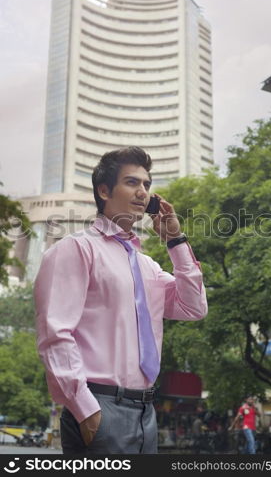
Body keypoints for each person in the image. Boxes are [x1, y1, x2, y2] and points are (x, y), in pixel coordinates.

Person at [34, 146, 208, 454]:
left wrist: (176, 241)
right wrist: (86, 409)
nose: (142, 192)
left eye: (146, 185)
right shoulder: (76, 250)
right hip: (98, 405)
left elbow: (193, 307)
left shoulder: (147, 266)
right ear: (104, 190)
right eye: (131, 182)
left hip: (146, 411)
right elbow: (55, 334)